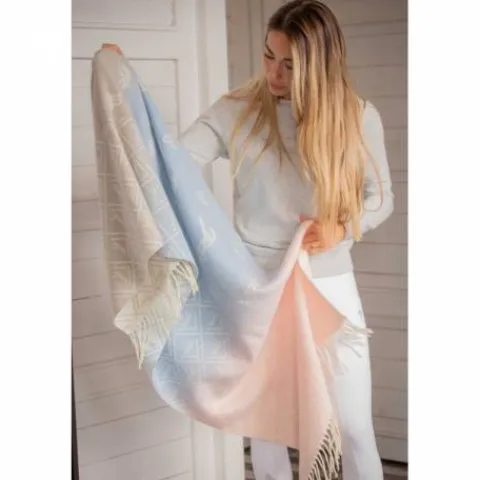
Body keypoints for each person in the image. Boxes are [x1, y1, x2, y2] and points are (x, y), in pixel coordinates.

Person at [178, 1, 394, 478]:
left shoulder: (357, 116)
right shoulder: (237, 110)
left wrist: (341, 227)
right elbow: (173, 161)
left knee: (354, 427)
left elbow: (381, 198)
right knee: (267, 427)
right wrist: (126, 94)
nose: (274, 74)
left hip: (328, 285)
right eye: (268, 56)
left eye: (290, 65)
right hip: (258, 289)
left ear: (319, 65)